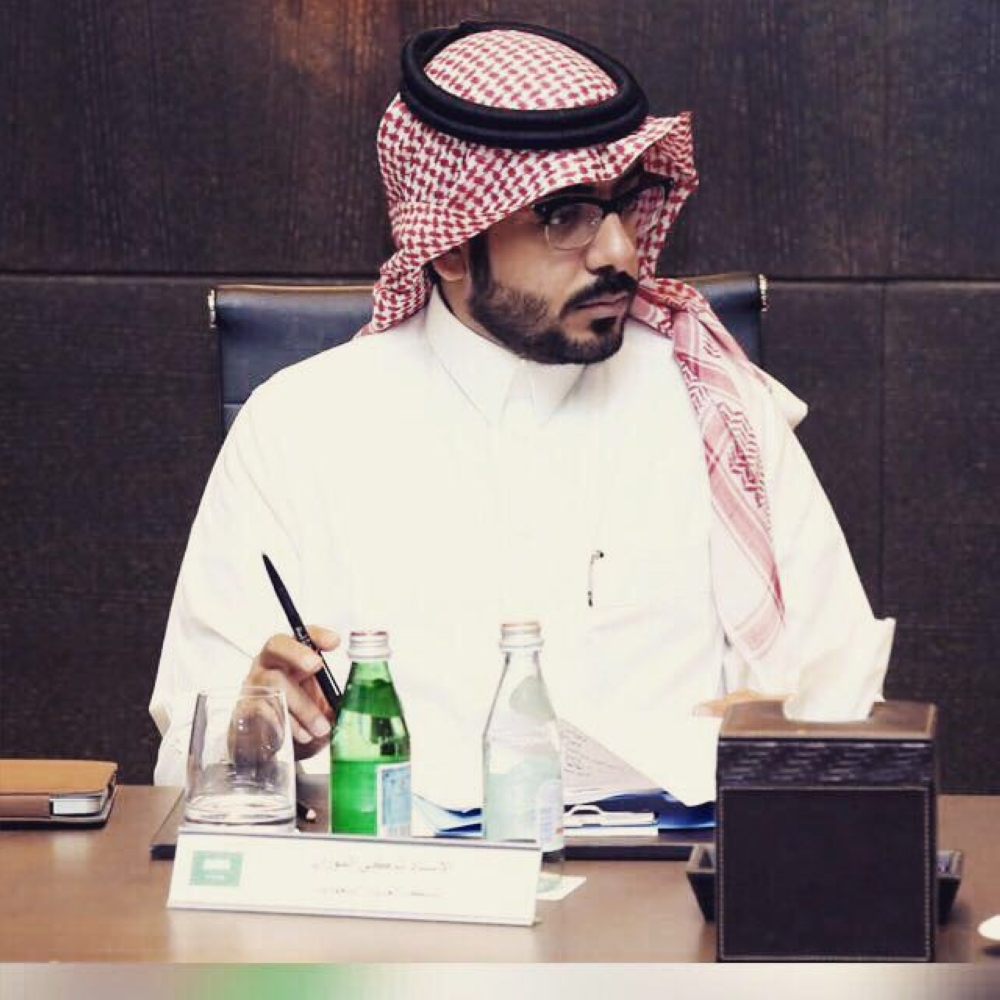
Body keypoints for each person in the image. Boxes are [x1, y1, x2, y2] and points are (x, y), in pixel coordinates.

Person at [150, 21, 893, 808]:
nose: (620, 253)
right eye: (565, 215)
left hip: (675, 880)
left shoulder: (716, 405)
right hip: (397, 880)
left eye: (623, 205)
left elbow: (840, 703)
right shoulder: (300, 427)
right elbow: (182, 764)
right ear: (447, 245)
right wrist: (259, 728)